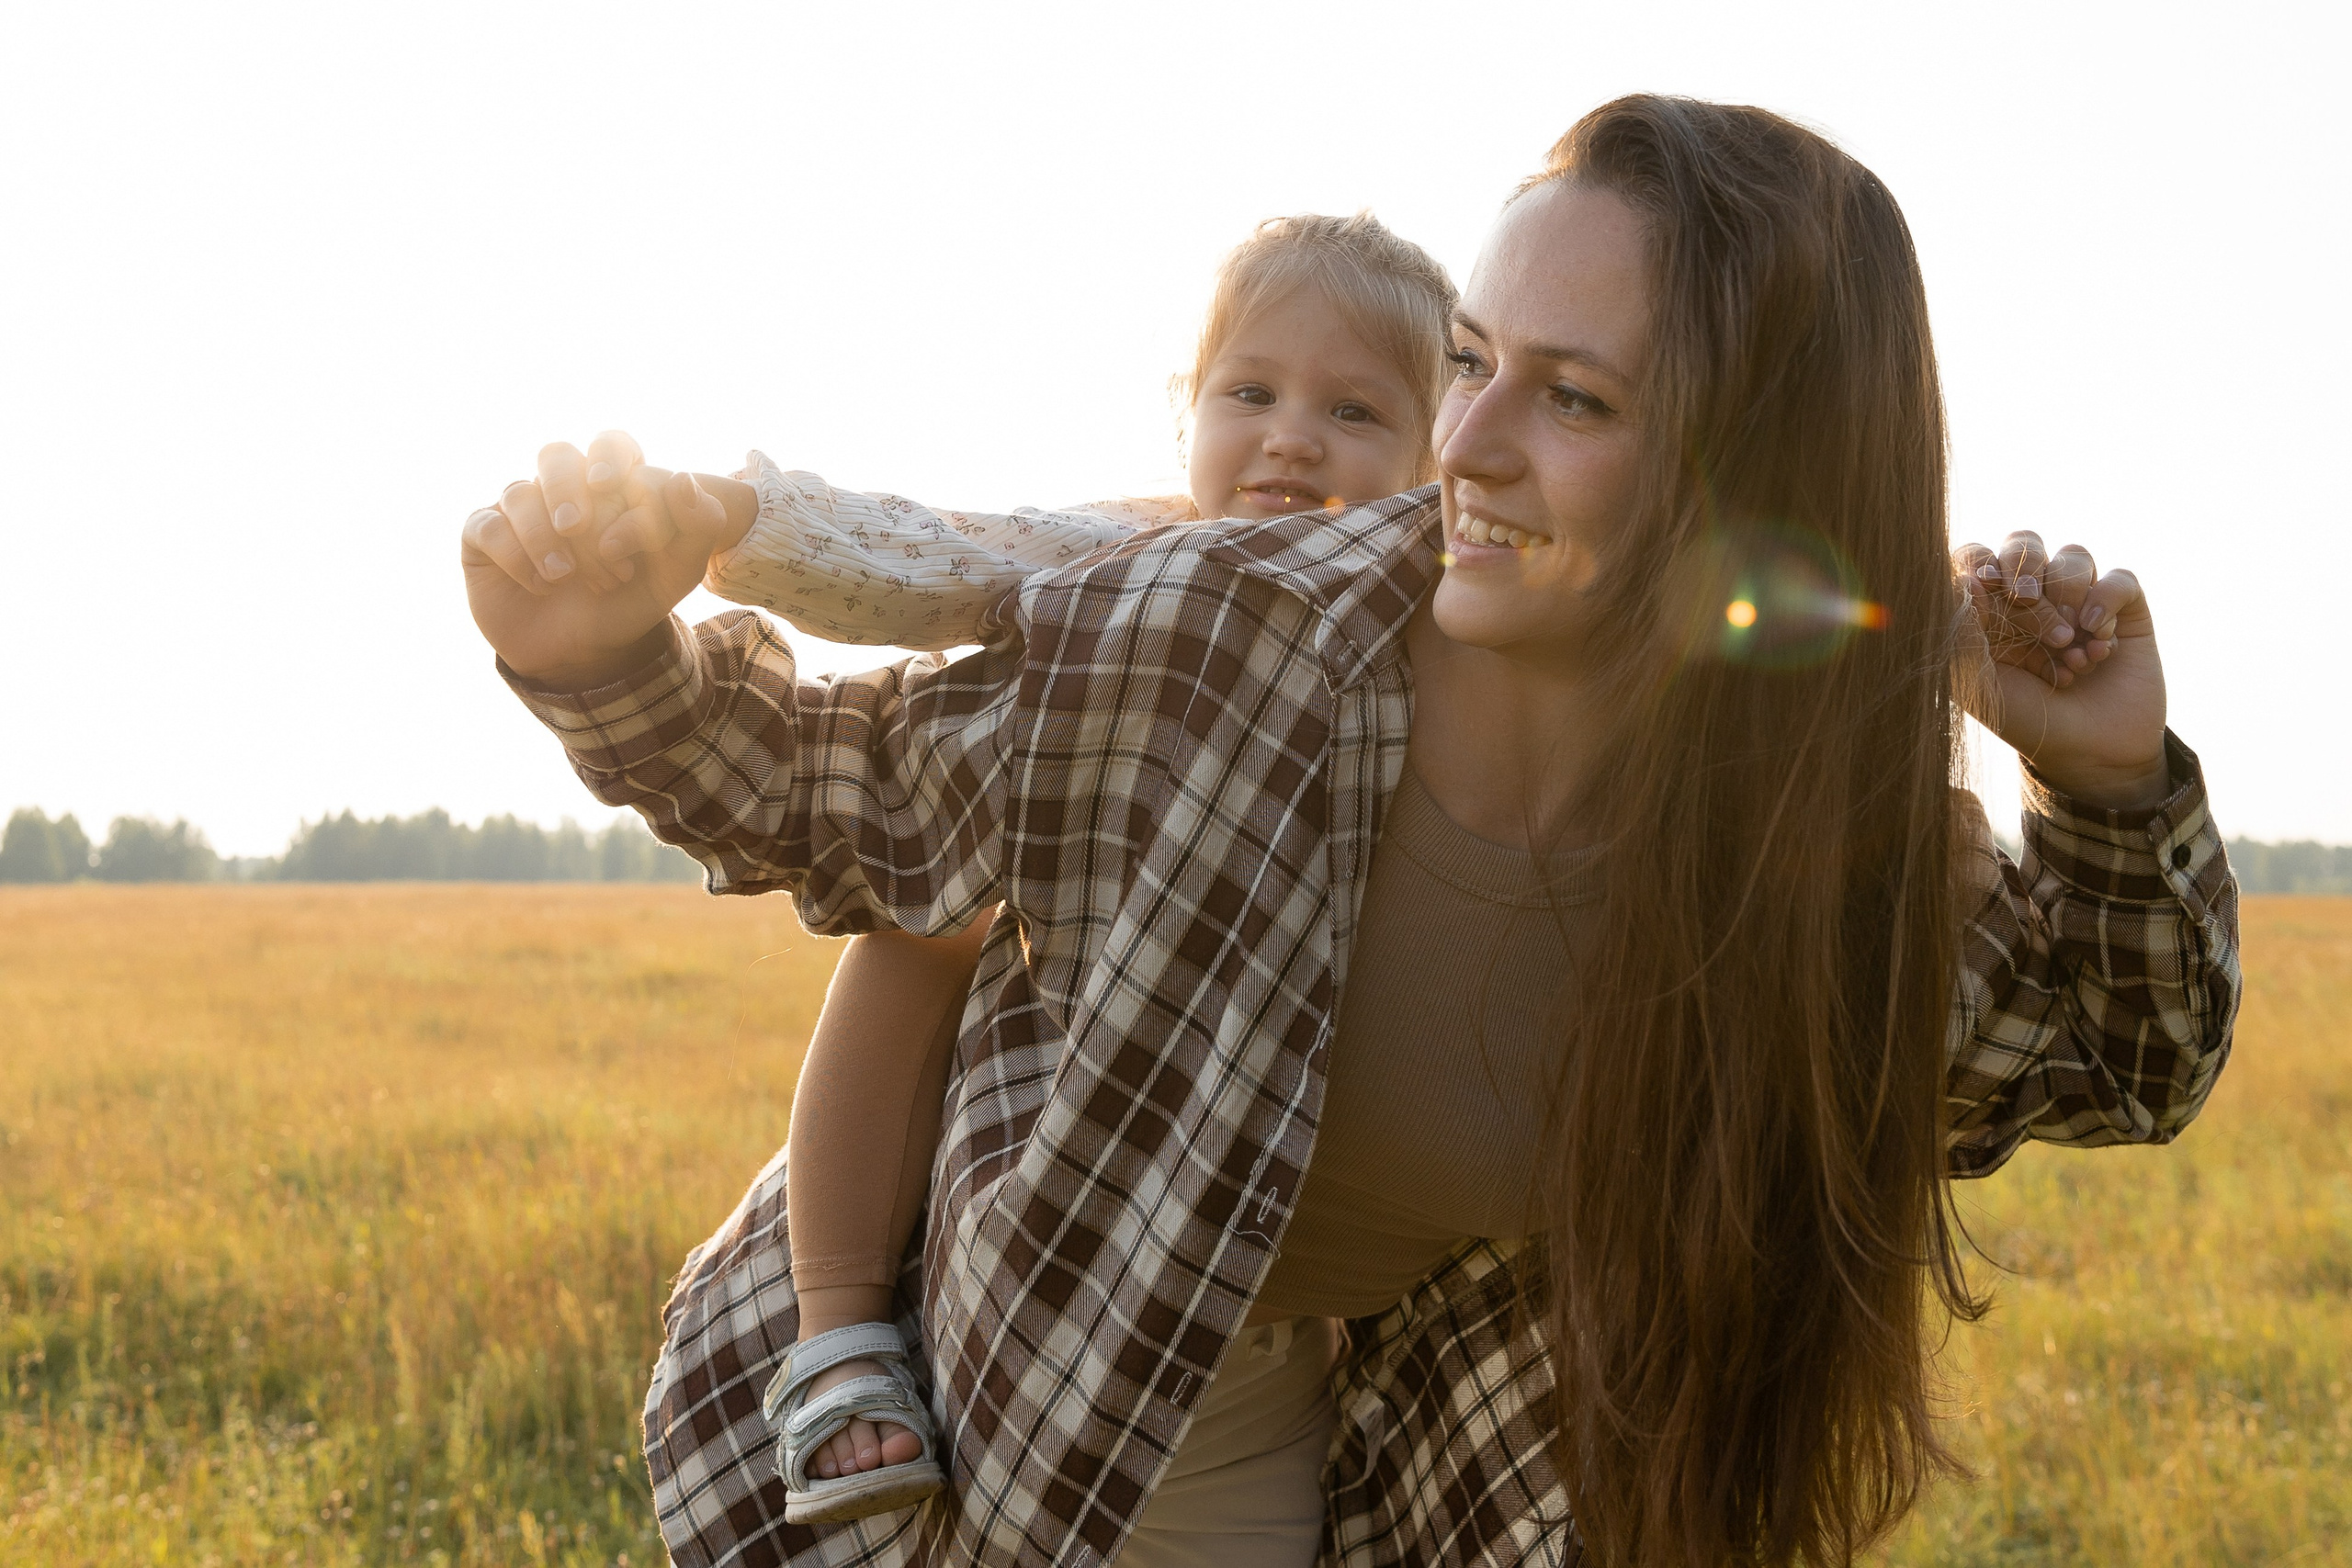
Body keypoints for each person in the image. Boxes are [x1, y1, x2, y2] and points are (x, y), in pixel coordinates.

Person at [461, 96, 2238, 1568]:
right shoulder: (1224, 630)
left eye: (1575, 398)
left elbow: (2123, 1057)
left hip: (1336, 1441)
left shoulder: (1819, 866)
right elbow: (841, 794)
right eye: (1471, 361)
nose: (1469, 443)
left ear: (1757, 476)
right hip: (965, 1401)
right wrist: (596, 655)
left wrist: (2106, 786)